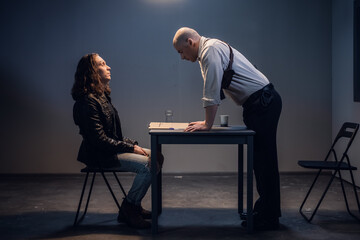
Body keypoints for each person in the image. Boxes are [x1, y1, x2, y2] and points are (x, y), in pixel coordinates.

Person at [172, 27, 282, 230]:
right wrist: (207, 122)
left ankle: (270, 217)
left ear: (190, 42)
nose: (181, 57)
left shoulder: (210, 50)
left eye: (180, 51)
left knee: (264, 160)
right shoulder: (208, 50)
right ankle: (265, 210)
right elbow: (213, 89)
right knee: (260, 161)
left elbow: (211, 91)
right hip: (257, 105)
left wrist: (207, 125)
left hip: (263, 103)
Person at [71, 53, 163, 229]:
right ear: (91, 71)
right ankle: (129, 208)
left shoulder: (101, 97)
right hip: (100, 155)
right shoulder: (87, 102)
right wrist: (130, 148)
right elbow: (99, 140)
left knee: (157, 156)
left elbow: (113, 136)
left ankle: (133, 206)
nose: (108, 67)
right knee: (147, 165)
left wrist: (132, 145)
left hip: (109, 150)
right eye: (103, 64)